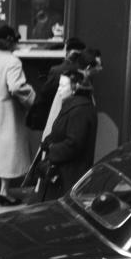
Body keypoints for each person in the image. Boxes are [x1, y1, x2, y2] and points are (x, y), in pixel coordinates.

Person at [0, 22, 36, 206]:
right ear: (11, 42)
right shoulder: (13, 61)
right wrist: (31, 96)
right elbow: (16, 87)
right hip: (8, 112)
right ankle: (5, 192)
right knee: (8, 151)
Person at [38, 62, 98, 201]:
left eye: (62, 86)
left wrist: (52, 148)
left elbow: (74, 144)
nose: (58, 89)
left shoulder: (80, 110)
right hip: (63, 176)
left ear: (75, 87)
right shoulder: (73, 105)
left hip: (68, 178)